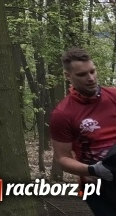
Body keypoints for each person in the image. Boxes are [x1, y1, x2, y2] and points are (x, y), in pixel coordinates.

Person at [50, 48, 116, 215]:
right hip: (97, 186)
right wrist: (93, 170)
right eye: (82, 75)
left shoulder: (113, 96)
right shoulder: (63, 113)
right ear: (68, 76)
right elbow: (62, 158)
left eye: (92, 71)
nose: (90, 78)